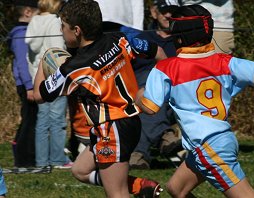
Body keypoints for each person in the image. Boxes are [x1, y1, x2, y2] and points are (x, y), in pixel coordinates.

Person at [135, 4, 254, 197]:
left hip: (208, 148)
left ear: (179, 36)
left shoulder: (167, 68)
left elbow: (149, 107)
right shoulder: (224, 61)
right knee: (177, 189)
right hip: (220, 141)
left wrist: (137, 93)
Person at [33, 0, 165, 197]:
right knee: (80, 170)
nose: (61, 31)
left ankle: (127, 187)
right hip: (129, 123)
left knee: (117, 194)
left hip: (111, 129)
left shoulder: (75, 69)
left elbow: (38, 96)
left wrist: (45, 60)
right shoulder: (120, 39)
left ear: (76, 30)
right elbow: (159, 53)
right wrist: (156, 88)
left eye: (63, 26)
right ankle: (140, 186)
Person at [129, 0, 182, 169]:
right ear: (154, 12)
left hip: (172, 89)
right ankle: (163, 135)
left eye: (173, 11)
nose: (168, 15)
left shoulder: (182, 41)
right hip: (138, 87)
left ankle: (139, 152)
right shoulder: (142, 39)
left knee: (151, 88)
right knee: (147, 88)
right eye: (164, 10)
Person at [25, 0, 72, 169]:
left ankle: (42, 162)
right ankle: (58, 160)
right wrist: (64, 79)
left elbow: (29, 56)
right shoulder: (55, 22)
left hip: (38, 78)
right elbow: (57, 53)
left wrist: (33, 77)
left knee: (42, 122)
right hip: (54, 80)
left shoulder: (34, 22)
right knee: (58, 121)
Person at [7, 0, 39, 168]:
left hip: (29, 84)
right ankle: (24, 158)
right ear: (28, 12)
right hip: (27, 85)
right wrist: (29, 86)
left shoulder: (26, 32)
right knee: (30, 119)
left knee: (30, 118)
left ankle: (23, 152)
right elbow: (22, 62)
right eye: (37, 13)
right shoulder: (21, 34)